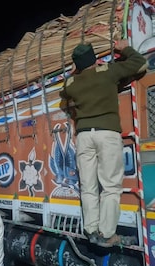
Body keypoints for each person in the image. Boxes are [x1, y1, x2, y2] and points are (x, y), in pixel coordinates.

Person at [59, 40, 148, 247]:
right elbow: (140, 62)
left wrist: (75, 73)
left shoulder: (72, 84)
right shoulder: (108, 72)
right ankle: (107, 234)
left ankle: (91, 229)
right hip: (107, 134)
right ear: (95, 59)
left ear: (77, 65)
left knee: (88, 186)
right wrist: (123, 48)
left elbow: (63, 92)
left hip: (84, 137)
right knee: (110, 186)